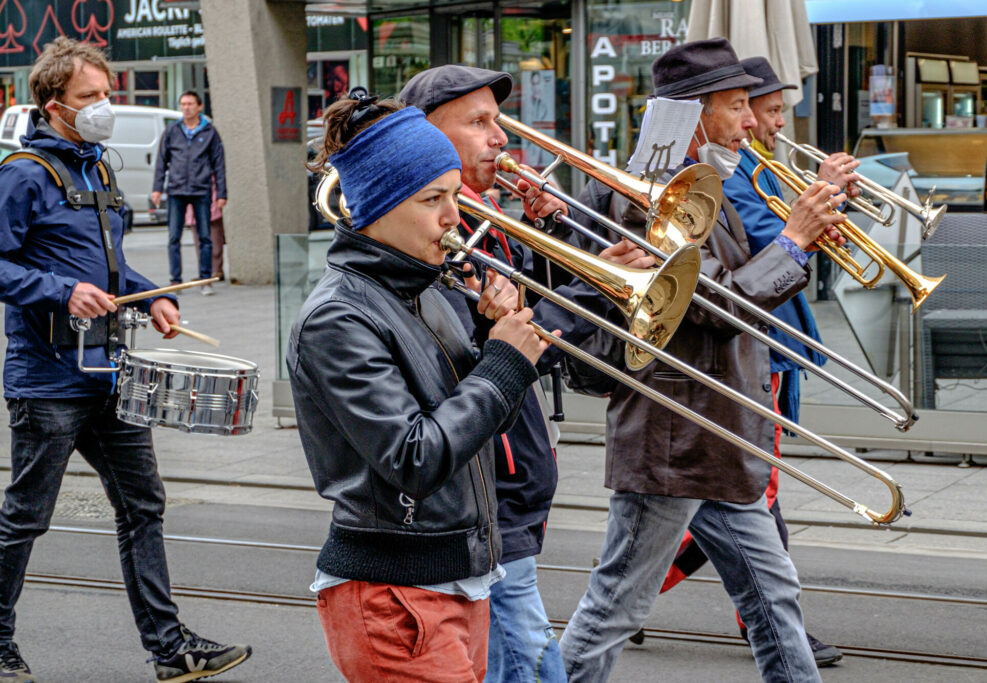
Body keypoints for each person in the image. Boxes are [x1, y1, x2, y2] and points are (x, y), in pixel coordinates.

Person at [559, 37, 849, 682]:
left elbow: (744, 283)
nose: (752, 121)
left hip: (719, 429)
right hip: (674, 437)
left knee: (775, 600)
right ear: (693, 116)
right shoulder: (650, 197)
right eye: (739, 105)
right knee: (616, 607)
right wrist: (796, 241)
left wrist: (805, 239)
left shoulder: (707, 186)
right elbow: (712, 306)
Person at [0, 37, 250, 683]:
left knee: (144, 506)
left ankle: (171, 650)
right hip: (47, 379)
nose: (103, 107)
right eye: (90, 97)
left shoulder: (101, 170)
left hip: (110, 371)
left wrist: (157, 296)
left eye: (107, 94)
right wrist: (60, 291)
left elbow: (111, 269)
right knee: (26, 515)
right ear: (55, 105)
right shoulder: (24, 173)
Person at [399, 65, 653, 683]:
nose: (501, 139)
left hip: (514, 478)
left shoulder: (486, 214)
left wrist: (551, 232)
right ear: (427, 135)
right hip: (488, 485)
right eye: (480, 123)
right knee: (532, 661)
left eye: (498, 122)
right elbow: (509, 335)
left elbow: (527, 305)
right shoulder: (430, 234)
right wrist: (593, 288)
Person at [288, 94, 549, 682]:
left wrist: (488, 339)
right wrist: (502, 365)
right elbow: (415, 457)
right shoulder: (338, 318)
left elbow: (478, 429)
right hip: (394, 596)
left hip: (459, 580)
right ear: (377, 206)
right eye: (433, 199)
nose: (454, 217)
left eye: (454, 196)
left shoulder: (426, 289)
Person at [636, 55, 859, 668]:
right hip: (730, 364)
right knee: (752, 497)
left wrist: (823, 214)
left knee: (718, 509)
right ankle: (747, 618)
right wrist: (803, 226)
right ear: (701, 114)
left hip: (760, 352)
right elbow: (751, 265)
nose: (767, 121)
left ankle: (639, 597)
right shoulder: (706, 178)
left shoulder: (744, 167)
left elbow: (783, 253)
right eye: (752, 108)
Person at [151, 90, 227, 295]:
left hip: (201, 189)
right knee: (173, 237)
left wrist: (221, 193)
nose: (186, 108)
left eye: (190, 104)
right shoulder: (172, 131)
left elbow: (218, 164)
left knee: (205, 237)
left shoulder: (209, 132)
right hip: (176, 189)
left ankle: (205, 279)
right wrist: (157, 188)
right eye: (183, 104)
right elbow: (162, 161)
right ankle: (175, 281)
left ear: (199, 107)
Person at [187, 176, 226, 281]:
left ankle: (216, 269)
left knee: (215, 237)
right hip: (191, 194)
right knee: (198, 239)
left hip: (209, 193)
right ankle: (204, 271)